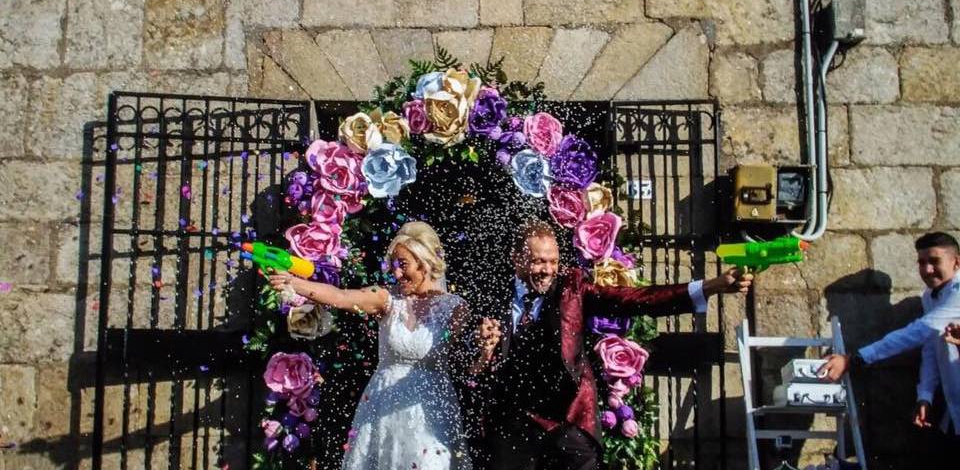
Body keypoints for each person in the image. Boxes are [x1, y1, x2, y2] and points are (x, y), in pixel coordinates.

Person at [473, 219, 753, 470]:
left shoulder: (572, 288)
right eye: (538, 261)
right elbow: (471, 365)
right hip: (512, 424)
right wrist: (483, 350)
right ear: (516, 259)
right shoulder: (492, 295)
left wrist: (710, 286)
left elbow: (635, 299)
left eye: (553, 261)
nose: (547, 270)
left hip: (568, 419)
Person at [268, 221, 474, 470]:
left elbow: (465, 359)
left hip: (430, 408)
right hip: (382, 406)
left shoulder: (455, 307)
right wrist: (295, 283)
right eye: (394, 266)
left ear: (425, 262)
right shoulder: (386, 299)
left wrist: (484, 345)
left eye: (403, 265)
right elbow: (341, 296)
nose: (396, 274)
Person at [820, 231, 960, 462]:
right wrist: (925, 395)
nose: (927, 270)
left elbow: (919, 331)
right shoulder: (930, 297)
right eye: (922, 262)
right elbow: (930, 346)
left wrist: (855, 359)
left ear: (956, 262)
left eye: (934, 261)